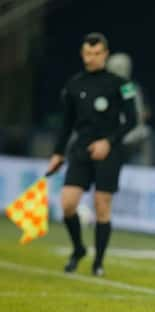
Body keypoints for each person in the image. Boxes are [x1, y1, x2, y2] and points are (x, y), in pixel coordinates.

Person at [45, 33, 137, 276]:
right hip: (80, 151)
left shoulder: (120, 84)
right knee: (67, 204)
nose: (92, 58)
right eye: (88, 53)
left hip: (110, 152)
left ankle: (98, 262)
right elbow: (66, 124)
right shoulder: (73, 84)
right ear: (82, 54)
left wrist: (108, 141)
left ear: (105, 54)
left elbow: (132, 121)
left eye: (97, 54)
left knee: (101, 206)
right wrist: (57, 153)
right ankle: (78, 249)